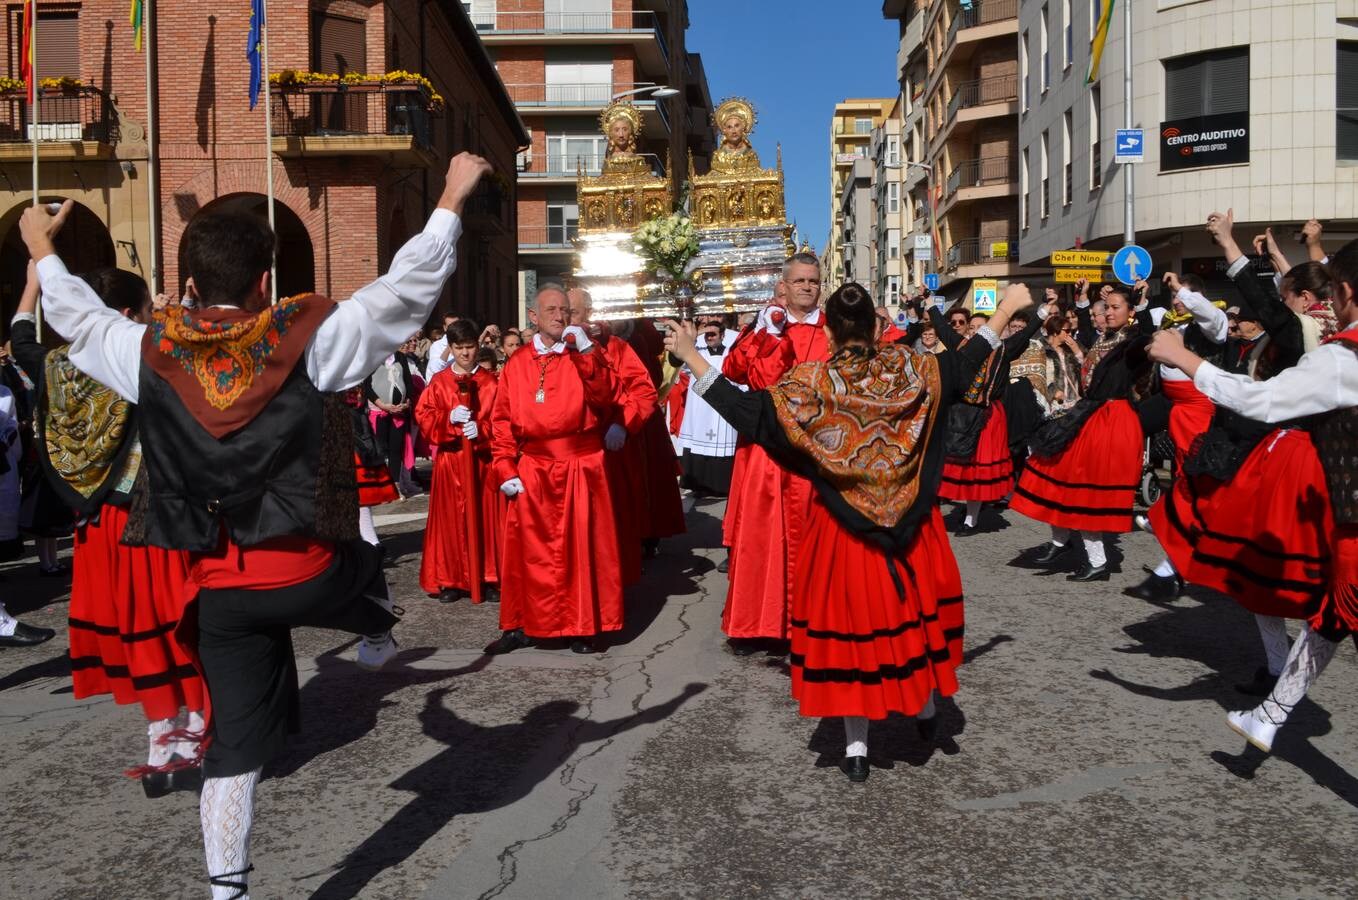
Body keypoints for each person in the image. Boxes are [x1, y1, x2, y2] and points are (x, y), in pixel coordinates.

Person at [25, 151, 492, 899]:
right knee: (363, 558)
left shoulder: (146, 350)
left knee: (233, 757)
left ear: (189, 284)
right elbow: (403, 292)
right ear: (265, 283)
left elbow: (76, 317)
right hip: (310, 572)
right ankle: (374, 630)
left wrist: (40, 248)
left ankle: (226, 892)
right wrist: (449, 197)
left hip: (221, 590)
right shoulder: (310, 337)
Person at [664, 282, 1033, 781]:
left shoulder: (810, 383)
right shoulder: (913, 370)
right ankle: (925, 709)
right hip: (911, 530)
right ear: (878, 328)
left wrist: (691, 357)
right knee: (914, 625)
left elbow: (749, 415)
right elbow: (967, 364)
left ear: (831, 332)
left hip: (842, 531)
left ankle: (856, 747)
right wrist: (1007, 307)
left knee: (850, 638)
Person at [1146, 236, 1358, 754]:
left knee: (1335, 613)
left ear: (1345, 292)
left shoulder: (1341, 359)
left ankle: (1270, 713)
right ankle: (1270, 714)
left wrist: (1182, 358)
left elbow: (1259, 401)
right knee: (1330, 619)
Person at [11, 261, 207, 795]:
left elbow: (21, 337)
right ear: (124, 316)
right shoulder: (137, 354)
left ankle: (159, 734)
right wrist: (190, 307)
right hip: (153, 513)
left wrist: (33, 280)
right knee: (178, 623)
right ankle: (189, 733)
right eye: (144, 310)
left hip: (98, 522)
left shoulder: (58, 363)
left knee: (136, 629)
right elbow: (180, 342)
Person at [487, 284, 623, 656]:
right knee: (529, 553)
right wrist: (504, 467)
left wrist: (586, 353)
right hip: (532, 466)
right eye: (551, 310)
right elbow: (500, 421)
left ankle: (581, 625)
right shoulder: (516, 364)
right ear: (533, 317)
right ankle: (522, 624)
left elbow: (606, 396)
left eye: (565, 310)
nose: (560, 316)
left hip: (580, 463)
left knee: (580, 549)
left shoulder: (583, 354)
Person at [720, 252, 830, 655]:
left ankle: (812, 621)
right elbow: (732, 370)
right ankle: (756, 624)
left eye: (813, 281)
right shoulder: (762, 327)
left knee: (814, 540)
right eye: (800, 281)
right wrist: (764, 333)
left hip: (814, 450)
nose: (807, 287)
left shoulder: (831, 331)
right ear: (782, 286)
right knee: (760, 541)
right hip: (764, 450)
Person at [1009, 284, 1154, 581]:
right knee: (1053, 471)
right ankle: (1061, 542)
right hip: (1090, 415)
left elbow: (1146, 339)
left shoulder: (1132, 343)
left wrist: (1142, 307)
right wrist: (1080, 299)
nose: (1109, 313)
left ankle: (1097, 561)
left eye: (1116, 308)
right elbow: (1086, 333)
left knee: (1086, 490)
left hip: (1112, 419)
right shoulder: (1103, 338)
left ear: (1130, 313)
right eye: (1107, 308)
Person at [932, 300, 1048, 535]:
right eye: (972, 327)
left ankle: (971, 520)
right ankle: (942, 511)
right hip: (961, 415)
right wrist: (929, 305)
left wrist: (1042, 312)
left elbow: (1026, 333)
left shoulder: (1004, 349)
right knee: (953, 467)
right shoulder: (962, 345)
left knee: (977, 471)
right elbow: (943, 331)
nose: (975, 331)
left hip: (987, 417)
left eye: (981, 327)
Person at [415, 319, 504, 605]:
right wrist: (447, 420)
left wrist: (483, 431)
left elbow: (503, 422)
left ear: (478, 347)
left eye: (470, 347)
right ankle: (451, 578)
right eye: (459, 348)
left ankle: (487, 576)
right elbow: (424, 417)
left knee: (484, 517)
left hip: (480, 462)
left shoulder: (491, 383)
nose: (465, 354)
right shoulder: (439, 382)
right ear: (450, 348)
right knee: (450, 521)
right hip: (450, 462)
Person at [675, 317, 742, 496]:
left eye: (713, 334)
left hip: (722, 405)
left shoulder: (731, 353)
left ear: (722, 335)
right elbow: (683, 368)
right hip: (700, 405)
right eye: (707, 335)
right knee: (698, 442)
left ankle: (724, 486)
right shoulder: (698, 353)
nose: (710, 338)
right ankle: (700, 485)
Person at [424, 312, 461, 381]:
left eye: (456, 325)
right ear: (444, 328)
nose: (454, 329)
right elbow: (435, 369)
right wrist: (449, 347)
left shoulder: (465, 344)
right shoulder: (437, 346)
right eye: (450, 326)